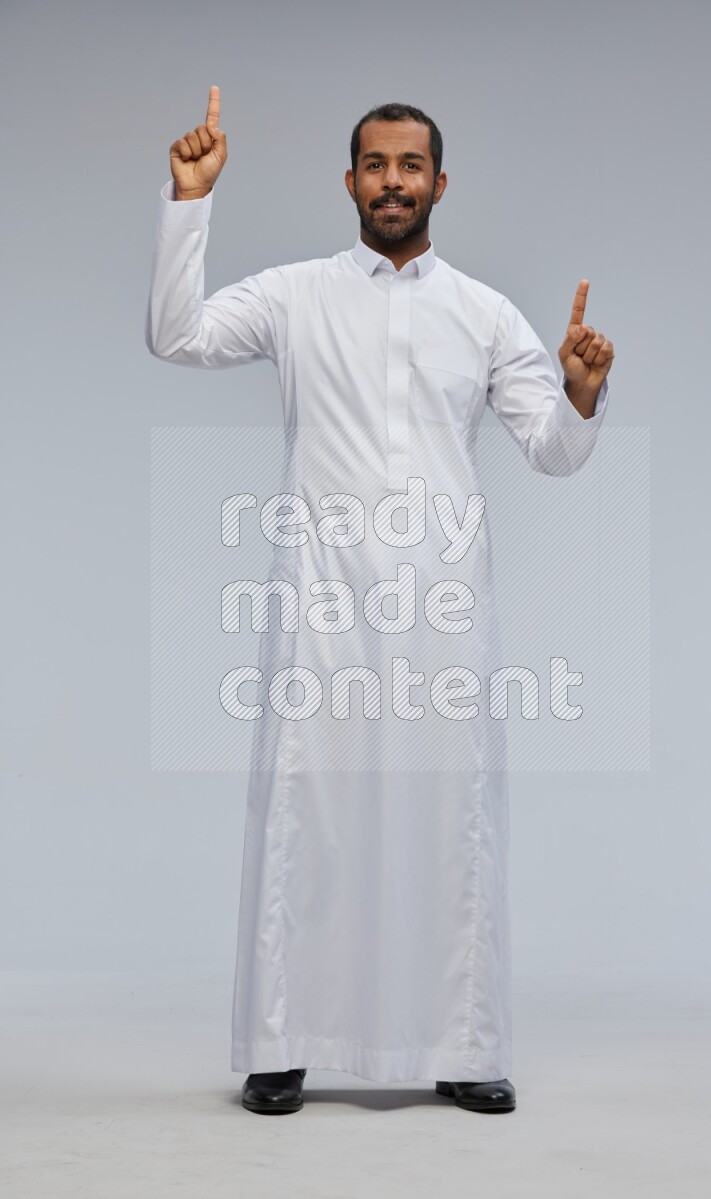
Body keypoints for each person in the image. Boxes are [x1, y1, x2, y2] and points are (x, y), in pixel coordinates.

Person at [145, 86, 614, 1115]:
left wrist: (578, 391)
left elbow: (552, 448)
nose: (392, 181)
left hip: (443, 608)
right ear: (348, 180)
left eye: (410, 166)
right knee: (306, 815)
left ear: (438, 183)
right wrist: (189, 203)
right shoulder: (295, 294)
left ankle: (464, 1040)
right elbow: (176, 335)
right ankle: (280, 1041)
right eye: (374, 164)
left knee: (453, 818)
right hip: (320, 605)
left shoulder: (483, 312)